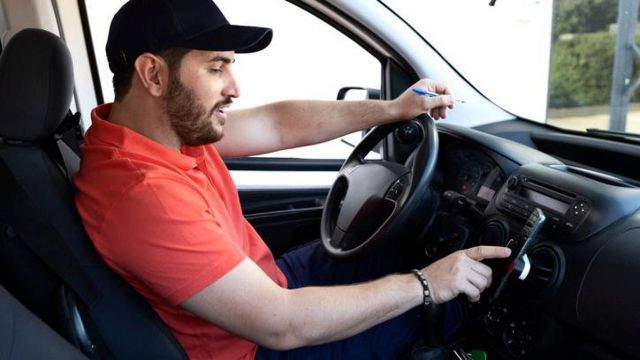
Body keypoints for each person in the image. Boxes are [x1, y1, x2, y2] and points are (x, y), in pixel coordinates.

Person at [74, 0, 511, 359]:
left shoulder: (152, 132)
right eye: (216, 68)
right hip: (255, 346)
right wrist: (427, 284)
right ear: (153, 74)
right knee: (447, 311)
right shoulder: (143, 193)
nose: (235, 87)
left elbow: (277, 124)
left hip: (268, 285)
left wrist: (392, 109)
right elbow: (281, 325)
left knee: (394, 250)